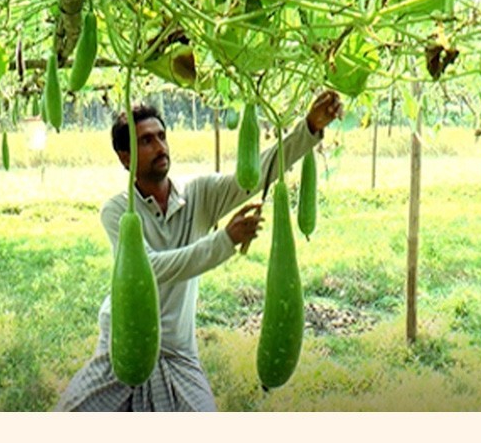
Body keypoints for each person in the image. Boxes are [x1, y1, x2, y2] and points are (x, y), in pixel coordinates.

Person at [55, 90, 343, 411]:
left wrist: (309, 128)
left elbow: (257, 173)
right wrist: (224, 241)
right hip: (122, 346)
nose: (160, 146)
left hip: (177, 351)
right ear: (126, 157)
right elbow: (150, 268)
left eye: (162, 136)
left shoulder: (200, 195)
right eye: (147, 141)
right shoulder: (118, 211)